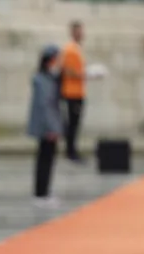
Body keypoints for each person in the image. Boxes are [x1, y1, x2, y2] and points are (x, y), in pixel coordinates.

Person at [27, 45, 64, 206]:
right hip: (46, 127)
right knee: (44, 159)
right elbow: (45, 105)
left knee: (48, 159)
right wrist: (52, 127)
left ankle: (44, 191)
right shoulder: (41, 79)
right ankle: (40, 193)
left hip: (50, 124)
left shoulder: (50, 78)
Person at [59, 21, 87, 163]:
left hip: (78, 91)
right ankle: (70, 151)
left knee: (75, 123)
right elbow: (68, 70)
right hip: (72, 92)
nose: (82, 33)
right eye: (79, 31)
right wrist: (83, 75)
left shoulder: (76, 48)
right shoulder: (70, 49)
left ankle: (72, 149)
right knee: (72, 123)